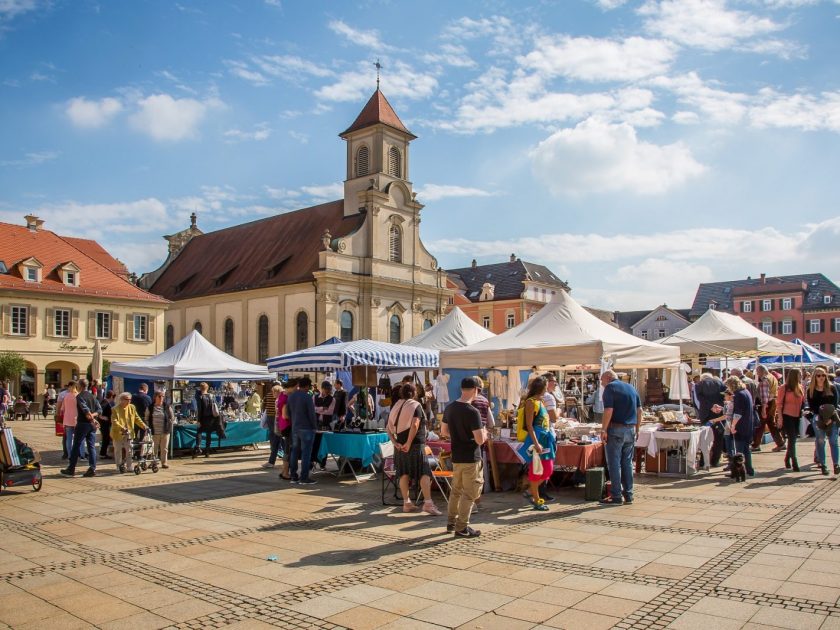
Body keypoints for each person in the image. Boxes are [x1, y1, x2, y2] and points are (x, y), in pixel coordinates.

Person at [441, 377, 487, 537]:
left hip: (456, 456)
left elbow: (444, 432)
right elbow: (480, 440)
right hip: (470, 457)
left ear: (462, 389)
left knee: (456, 492)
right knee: (469, 493)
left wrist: (457, 436)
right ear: (475, 390)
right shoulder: (472, 411)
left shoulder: (450, 408)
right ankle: (462, 527)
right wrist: (485, 433)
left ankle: (451, 523)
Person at [386, 382, 442, 515]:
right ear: (414, 393)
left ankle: (407, 503)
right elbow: (415, 425)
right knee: (424, 472)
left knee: (403, 473)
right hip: (415, 445)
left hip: (400, 445)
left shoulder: (396, 406)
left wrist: (395, 443)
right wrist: (409, 443)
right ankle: (428, 504)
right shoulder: (415, 405)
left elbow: (388, 428)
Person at [599, 370, 641, 505]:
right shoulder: (631, 387)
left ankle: (616, 495)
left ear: (609, 378)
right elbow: (640, 410)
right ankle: (628, 494)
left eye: (602, 380)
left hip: (616, 429)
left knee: (614, 463)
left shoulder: (610, 388)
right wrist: (638, 428)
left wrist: (603, 429)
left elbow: (608, 410)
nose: (601, 383)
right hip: (630, 429)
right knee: (627, 463)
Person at [518, 376, 556, 512]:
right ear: (542, 387)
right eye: (546, 386)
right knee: (537, 471)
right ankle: (536, 500)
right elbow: (529, 425)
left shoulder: (541, 402)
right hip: (538, 441)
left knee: (548, 470)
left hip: (546, 440)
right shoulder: (531, 402)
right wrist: (536, 443)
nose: (547, 388)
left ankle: (530, 490)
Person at [60, 380, 100, 478]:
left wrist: (90, 417)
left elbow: (85, 409)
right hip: (91, 425)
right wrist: (93, 417)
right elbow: (99, 409)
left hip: (83, 424)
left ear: (79, 386)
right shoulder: (92, 396)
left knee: (76, 445)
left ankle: (71, 468)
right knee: (91, 446)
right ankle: (92, 468)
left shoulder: (80, 396)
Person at [807, 366, 838, 476]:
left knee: (833, 441)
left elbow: (834, 404)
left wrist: (829, 418)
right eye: (819, 375)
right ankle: (823, 465)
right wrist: (823, 418)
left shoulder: (832, 388)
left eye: (823, 375)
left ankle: (836, 464)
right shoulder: (810, 390)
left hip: (831, 417)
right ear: (815, 377)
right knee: (820, 441)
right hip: (818, 418)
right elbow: (812, 406)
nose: (821, 378)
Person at [288, 376, 317, 485]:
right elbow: (311, 414)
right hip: (306, 428)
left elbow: (289, 413)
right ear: (307, 386)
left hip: (295, 427)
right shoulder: (307, 397)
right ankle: (304, 478)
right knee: (306, 453)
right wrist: (315, 427)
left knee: (294, 452)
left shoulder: (291, 396)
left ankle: (293, 476)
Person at [726, 376, 755, 477]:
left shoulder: (738, 395)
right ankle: (750, 470)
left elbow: (738, 413)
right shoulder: (746, 392)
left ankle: (737, 472)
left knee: (739, 451)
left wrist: (733, 426)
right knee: (746, 450)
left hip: (741, 426)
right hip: (748, 425)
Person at [776, 368, 804, 472]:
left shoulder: (800, 387)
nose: (801, 376)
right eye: (799, 374)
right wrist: (780, 418)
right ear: (794, 376)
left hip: (797, 416)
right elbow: (779, 404)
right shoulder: (784, 388)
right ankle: (794, 461)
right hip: (787, 415)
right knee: (792, 438)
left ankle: (787, 458)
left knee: (793, 439)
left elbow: (802, 402)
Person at [111, 392, 147, 473]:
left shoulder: (132, 407)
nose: (129, 401)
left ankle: (129, 466)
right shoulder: (115, 409)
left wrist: (144, 425)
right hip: (118, 432)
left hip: (129, 432)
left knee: (129, 449)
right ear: (121, 400)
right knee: (118, 450)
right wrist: (122, 427)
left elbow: (137, 418)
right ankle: (119, 466)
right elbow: (114, 421)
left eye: (130, 399)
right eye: (127, 399)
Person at [754, 365, 784, 453]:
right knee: (771, 424)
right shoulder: (772, 377)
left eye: (757, 372)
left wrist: (763, 408)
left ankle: (756, 444)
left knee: (761, 424)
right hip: (773, 402)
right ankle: (780, 443)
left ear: (762, 371)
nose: (757, 374)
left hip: (767, 404)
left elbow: (764, 396)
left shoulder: (765, 379)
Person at [194, 382, 223, 458]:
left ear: (200, 388)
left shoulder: (200, 396)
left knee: (199, 432)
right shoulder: (211, 396)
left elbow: (200, 409)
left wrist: (198, 420)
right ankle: (207, 452)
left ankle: (198, 447)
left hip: (203, 417)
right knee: (208, 434)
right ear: (207, 388)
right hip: (211, 418)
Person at [146, 390, 173, 469]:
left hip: (165, 431)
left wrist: (169, 424)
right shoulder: (150, 407)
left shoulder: (167, 406)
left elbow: (172, 417)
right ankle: (153, 462)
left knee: (164, 448)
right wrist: (148, 427)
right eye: (160, 396)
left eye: (163, 396)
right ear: (155, 397)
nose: (161, 398)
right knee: (154, 448)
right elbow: (146, 418)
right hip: (154, 431)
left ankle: (164, 463)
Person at [264, 384, 284, 469]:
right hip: (277, 422)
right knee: (278, 442)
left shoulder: (281, 399)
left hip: (279, 423)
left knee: (277, 442)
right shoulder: (278, 399)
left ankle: (272, 461)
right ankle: (272, 461)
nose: (272, 394)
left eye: (273, 392)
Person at [99, 390, 115, 459]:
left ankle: (103, 453)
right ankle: (103, 454)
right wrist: (102, 417)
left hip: (105, 424)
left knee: (106, 438)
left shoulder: (105, 402)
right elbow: (99, 411)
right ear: (111, 397)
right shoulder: (105, 403)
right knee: (106, 439)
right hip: (104, 424)